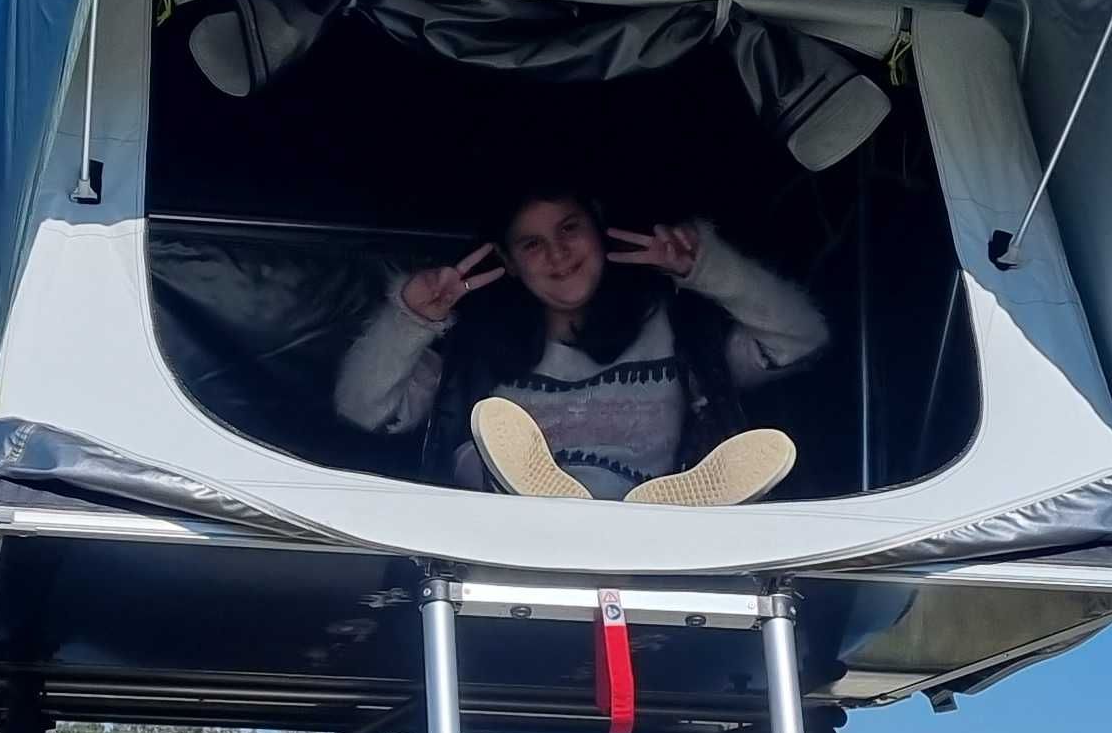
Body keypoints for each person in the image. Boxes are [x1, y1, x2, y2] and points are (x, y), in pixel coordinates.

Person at [333, 190, 827, 503]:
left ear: (597, 226)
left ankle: (669, 508)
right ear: (509, 261)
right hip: (511, 525)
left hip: (645, 506)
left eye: (569, 229)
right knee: (490, 447)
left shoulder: (674, 325)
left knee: (641, 510)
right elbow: (363, 410)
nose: (557, 254)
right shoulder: (473, 344)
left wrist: (710, 267)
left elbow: (801, 340)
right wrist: (410, 318)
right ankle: (568, 510)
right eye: (532, 244)